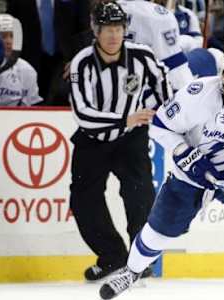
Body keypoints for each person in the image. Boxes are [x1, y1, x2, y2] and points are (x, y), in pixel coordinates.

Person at [98, 43, 224, 300]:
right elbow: (161, 126)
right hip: (192, 172)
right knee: (160, 230)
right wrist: (183, 153)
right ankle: (131, 272)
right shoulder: (197, 92)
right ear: (222, 74)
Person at [69, 1, 172, 282]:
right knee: (83, 200)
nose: (113, 35)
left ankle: (139, 259)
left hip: (131, 139)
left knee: (140, 194)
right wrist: (125, 118)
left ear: (126, 29)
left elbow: (163, 88)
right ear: (95, 30)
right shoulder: (82, 62)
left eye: (118, 28)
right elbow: (83, 113)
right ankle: (112, 256)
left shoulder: (142, 56)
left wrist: (167, 117)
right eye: (107, 29)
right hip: (93, 141)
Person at [117, 0, 194, 93]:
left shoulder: (105, 9)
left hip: (108, 85)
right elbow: (176, 70)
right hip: (144, 92)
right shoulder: (159, 16)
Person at [0, 14, 42, 106]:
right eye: (3, 36)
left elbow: (30, 109)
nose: (9, 41)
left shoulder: (28, 70)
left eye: (12, 36)